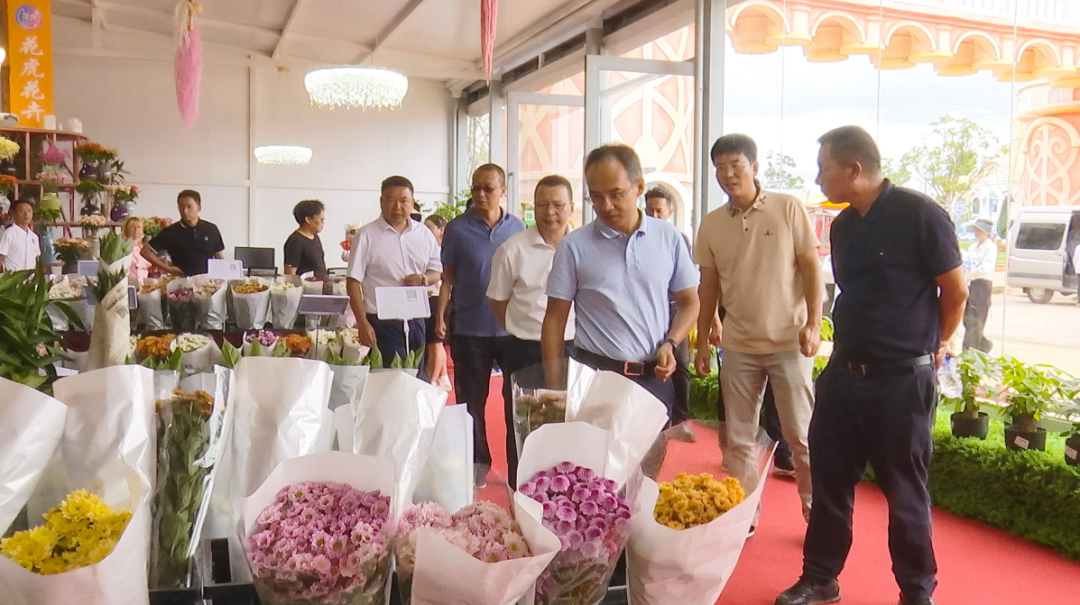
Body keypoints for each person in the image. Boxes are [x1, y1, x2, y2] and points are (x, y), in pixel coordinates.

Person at [776, 126, 966, 605]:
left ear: (853, 169)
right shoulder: (843, 226)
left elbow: (956, 290)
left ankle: (916, 591)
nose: (818, 179)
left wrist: (939, 342)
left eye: (823, 169)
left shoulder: (920, 215)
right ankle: (820, 577)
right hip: (844, 376)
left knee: (905, 493)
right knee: (830, 482)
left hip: (903, 381)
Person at [694, 133, 821, 526]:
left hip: (789, 342)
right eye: (720, 168)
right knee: (738, 438)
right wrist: (702, 340)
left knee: (800, 435)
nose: (728, 174)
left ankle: (816, 511)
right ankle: (744, 515)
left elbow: (811, 267)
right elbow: (708, 285)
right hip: (738, 346)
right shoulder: (712, 223)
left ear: (754, 167)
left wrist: (814, 323)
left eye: (736, 165)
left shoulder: (788, 208)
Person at [543, 144, 699, 417]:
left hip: (654, 379)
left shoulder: (669, 238)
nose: (606, 206)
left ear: (639, 187)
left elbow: (690, 302)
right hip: (595, 378)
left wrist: (671, 343)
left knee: (653, 447)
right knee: (593, 446)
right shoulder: (574, 247)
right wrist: (556, 387)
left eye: (616, 194)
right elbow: (554, 320)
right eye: (596, 197)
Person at [435, 164, 525, 488]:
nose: (481, 194)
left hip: (511, 330)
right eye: (476, 188)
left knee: (515, 402)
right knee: (471, 403)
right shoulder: (457, 229)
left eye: (488, 188)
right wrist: (440, 318)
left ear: (503, 191)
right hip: (469, 329)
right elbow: (448, 279)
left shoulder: (518, 227)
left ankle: (519, 468)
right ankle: (477, 463)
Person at [487, 175, 576, 485]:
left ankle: (567, 496)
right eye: (542, 205)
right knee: (524, 426)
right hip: (525, 350)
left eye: (558, 205)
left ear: (571, 207)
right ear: (532, 208)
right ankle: (521, 494)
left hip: (575, 349)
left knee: (573, 426)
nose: (550, 212)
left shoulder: (582, 247)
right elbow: (498, 301)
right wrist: (519, 327)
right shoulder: (513, 249)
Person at [346, 176, 441, 366]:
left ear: (412, 202)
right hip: (382, 321)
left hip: (416, 318)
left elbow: (436, 271)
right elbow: (353, 282)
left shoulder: (424, 234)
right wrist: (362, 323)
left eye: (404, 201)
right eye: (390, 200)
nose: (397, 207)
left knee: (417, 375)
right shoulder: (366, 235)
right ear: (381, 202)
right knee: (389, 376)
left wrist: (423, 279)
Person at [644, 186, 692, 425]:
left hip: (675, 309)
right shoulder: (640, 239)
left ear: (669, 213)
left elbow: (689, 286)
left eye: (659, 211)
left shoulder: (678, 240)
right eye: (649, 210)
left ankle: (681, 420)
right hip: (649, 310)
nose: (654, 215)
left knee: (680, 364)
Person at [142, 190, 225, 276]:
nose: (184, 211)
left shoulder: (211, 229)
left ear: (199, 208)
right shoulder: (172, 231)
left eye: (189, 207)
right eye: (181, 207)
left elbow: (219, 256)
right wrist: (168, 268)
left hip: (208, 279)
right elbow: (145, 251)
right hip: (182, 280)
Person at [423, 214, 451, 389]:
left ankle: (432, 382)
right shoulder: (428, 247)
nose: (425, 231)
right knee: (432, 343)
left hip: (437, 298)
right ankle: (443, 376)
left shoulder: (444, 250)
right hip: (427, 298)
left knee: (435, 343)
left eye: (429, 228)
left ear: (441, 230)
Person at [962, 217, 996, 352]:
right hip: (971, 284)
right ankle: (984, 346)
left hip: (982, 284)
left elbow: (986, 268)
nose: (977, 233)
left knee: (977, 319)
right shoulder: (972, 247)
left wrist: (972, 272)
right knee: (968, 318)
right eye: (976, 230)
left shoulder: (990, 247)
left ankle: (970, 351)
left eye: (980, 230)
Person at [284, 200, 328, 279]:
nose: (323, 222)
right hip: (305, 286)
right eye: (321, 219)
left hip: (320, 285)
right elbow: (290, 274)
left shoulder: (315, 237)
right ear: (308, 219)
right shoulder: (295, 241)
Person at [0, 199, 39, 273]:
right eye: (21, 211)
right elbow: (1, 256)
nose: (26, 214)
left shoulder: (34, 237)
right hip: (13, 277)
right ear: (14, 214)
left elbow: (37, 259)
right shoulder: (9, 233)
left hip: (30, 277)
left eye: (29, 211)